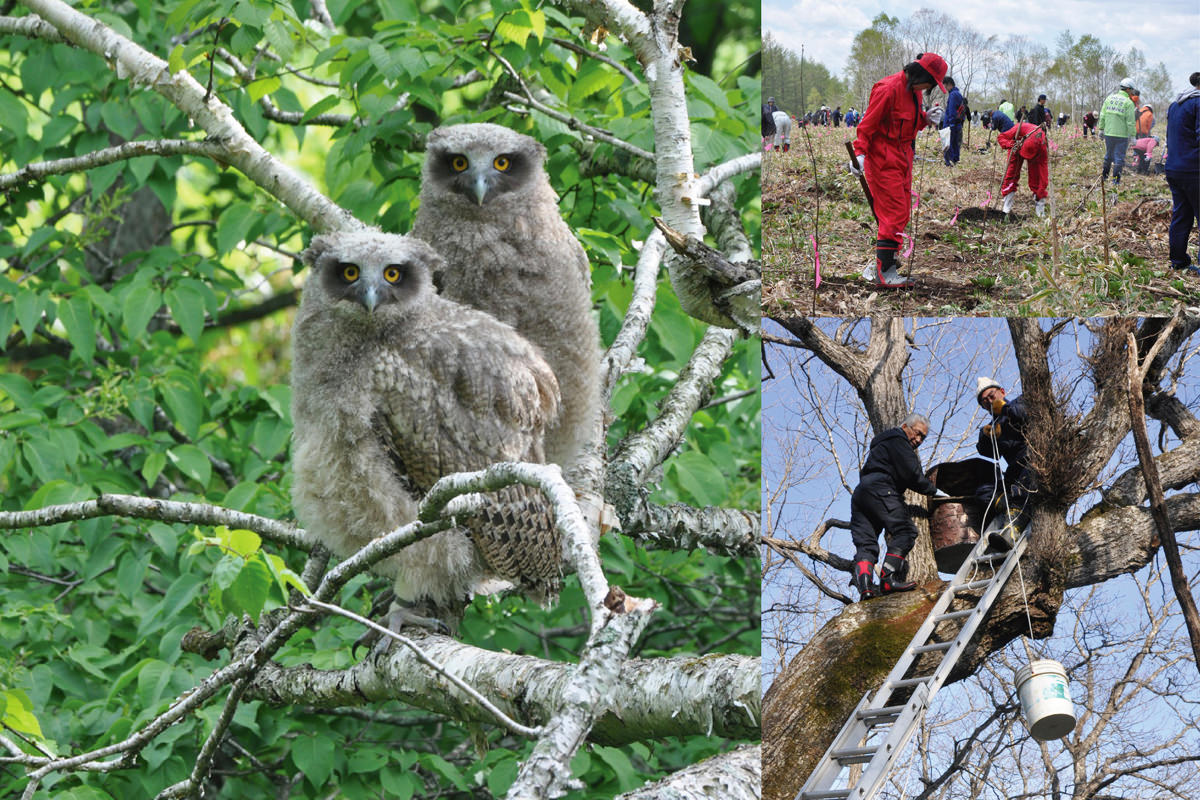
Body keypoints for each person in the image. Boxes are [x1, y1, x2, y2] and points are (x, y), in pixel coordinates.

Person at [849, 52, 949, 288]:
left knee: (903, 211)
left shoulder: (913, 92)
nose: (929, 88)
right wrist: (859, 154)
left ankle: (883, 263)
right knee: (892, 213)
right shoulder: (887, 88)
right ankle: (886, 273)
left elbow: (907, 124)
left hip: (903, 160)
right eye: (931, 82)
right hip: (883, 161)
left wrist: (925, 119)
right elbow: (867, 125)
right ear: (921, 74)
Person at [848, 413, 943, 599]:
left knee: (866, 545)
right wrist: (935, 491)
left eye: (923, 437)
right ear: (905, 426)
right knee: (906, 531)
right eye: (917, 433)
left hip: (861, 494)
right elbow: (913, 475)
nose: (918, 440)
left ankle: (866, 588)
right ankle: (887, 579)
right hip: (882, 489)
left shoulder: (882, 444)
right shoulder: (898, 441)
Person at [973, 378, 1031, 552]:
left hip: (1031, 463)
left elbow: (1025, 414)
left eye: (991, 396)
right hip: (1014, 473)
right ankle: (1012, 506)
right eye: (985, 402)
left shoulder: (1020, 402)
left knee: (1021, 492)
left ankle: (1011, 531)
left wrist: (1005, 409)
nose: (990, 403)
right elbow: (988, 453)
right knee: (983, 493)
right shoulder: (993, 425)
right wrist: (986, 436)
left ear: (1002, 392)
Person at [1165, 72, 1200, 277]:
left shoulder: (1175, 104)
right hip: (1194, 169)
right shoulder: (1198, 104)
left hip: (1174, 167)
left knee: (1182, 215)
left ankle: (1178, 261)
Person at [998, 120, 1049, 216]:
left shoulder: (1042, 146)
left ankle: (1040, 207)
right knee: (1011, 174)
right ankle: (1006, 206)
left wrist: (1041, 191)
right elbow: (1001, 137)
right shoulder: (1018, 129)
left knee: (1037, 177)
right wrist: (1010, 144)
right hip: (1017, 145)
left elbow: (1043, 173)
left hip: (1036, 154)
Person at [1099, 78, 1138, 185]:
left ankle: (1104, 177)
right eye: (1132, 90)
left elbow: (1103, 115)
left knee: (1108, 156)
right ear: (1128, 89)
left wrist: (1101, 129)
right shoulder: (1128, 103)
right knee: (1119, 158)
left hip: (1109, 133)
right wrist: (1133, 136)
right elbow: (1130, 121)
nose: (1132, 92)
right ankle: (1115, 181)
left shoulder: (1109, 99)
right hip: (1122, 136)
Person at [941, 76, 965, 166]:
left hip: (951, 124)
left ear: (949, 84)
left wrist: (950, 124)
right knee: (955, 142)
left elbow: (951, 110)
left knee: (948, 143)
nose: (945, 89)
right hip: (957, 123)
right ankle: (955, 159)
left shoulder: (953, 95)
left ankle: (949, 161)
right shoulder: (958, 93)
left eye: (945, 86)